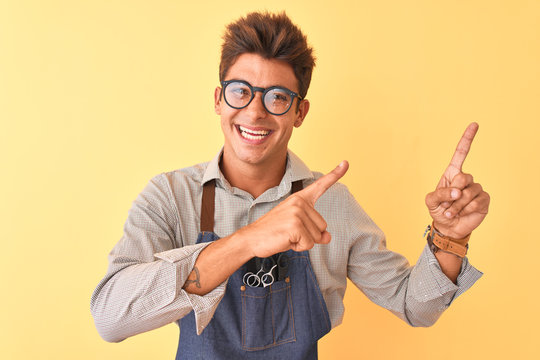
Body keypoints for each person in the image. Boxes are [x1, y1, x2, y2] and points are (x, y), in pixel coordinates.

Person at [91, 11, 490, 359]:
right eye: (240, 92)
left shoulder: (332, 204)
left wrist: (447, 238)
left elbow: (413, 306)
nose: (255, 111)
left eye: (277, 97)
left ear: (300, 112)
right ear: (218, 99)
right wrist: (248, 240)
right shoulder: (171, 196)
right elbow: (110, 318)